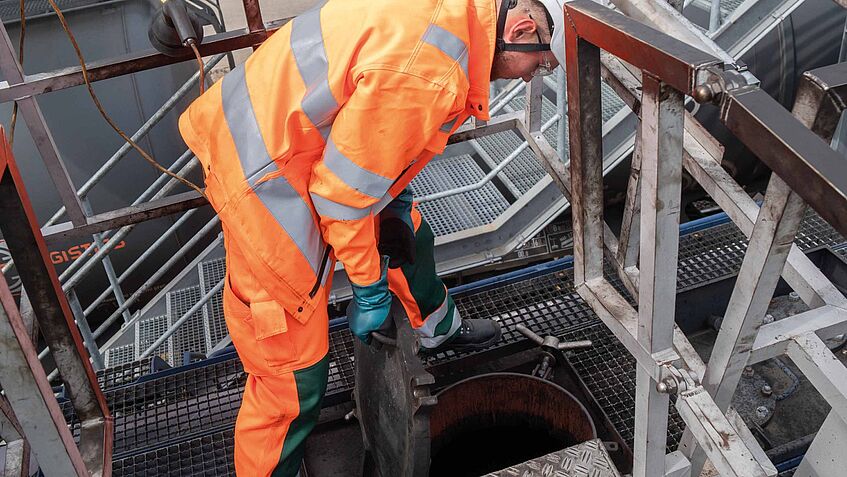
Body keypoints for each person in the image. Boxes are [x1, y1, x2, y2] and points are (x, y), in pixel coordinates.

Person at [178, 0, 565, 474]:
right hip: (265, 176)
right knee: (294, 374)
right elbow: (339, 199)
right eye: (541, 61)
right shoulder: (429, 71)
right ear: (523, 28)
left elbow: (373, 121)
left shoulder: (457, 18)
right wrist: (367, 290)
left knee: (409, 238)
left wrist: (394, 199)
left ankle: (437, 328)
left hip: (290, 131)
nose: (533, 76)